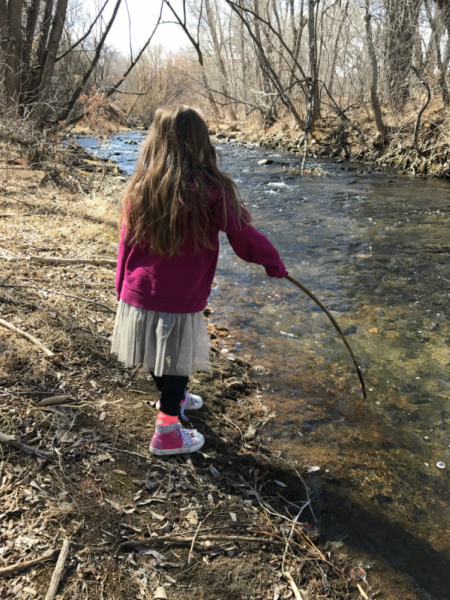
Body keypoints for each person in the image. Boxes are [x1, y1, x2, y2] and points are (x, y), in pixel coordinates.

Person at [112, 105, 288, 456]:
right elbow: (243, 236)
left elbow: (124, 244)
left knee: (158, 356)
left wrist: (121, 288)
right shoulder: (211, 190)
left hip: (137, 291)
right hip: (179, 296)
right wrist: (274, 263)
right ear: (200, 141)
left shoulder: (140, 187)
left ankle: (172, 400)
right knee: (176, 361)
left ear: (156, 142)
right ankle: (167, 431)